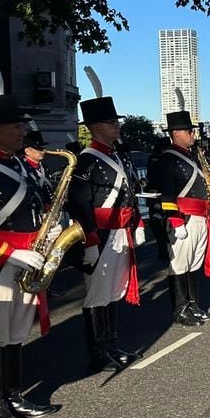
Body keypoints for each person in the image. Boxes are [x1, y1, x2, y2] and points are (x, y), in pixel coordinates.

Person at [0, 93, 62, 418]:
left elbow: (38, 202)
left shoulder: (17, 163)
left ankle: (13, 394)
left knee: (16, 332)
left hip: (30, 258)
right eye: (15, 125)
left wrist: (52, 222)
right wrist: (10, 253)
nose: (22, 131)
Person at [66, 94, 145, 372]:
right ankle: (98, 352)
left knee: (114, 292)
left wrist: (136, 224)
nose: (117, 127)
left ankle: (111, 344)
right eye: (111, 123)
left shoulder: (116, 156)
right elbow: (79, 204)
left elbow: (129, 194)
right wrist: (89, 241)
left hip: (120, 232)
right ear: (95, 127)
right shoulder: (85, 161)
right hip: (100, 236)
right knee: (97, 295)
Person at [159, 107, 210, 326]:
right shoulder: (168, 159)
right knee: (180, 264)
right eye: (188, 130)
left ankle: (193, 305)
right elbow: (166, 193)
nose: (192, 134)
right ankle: (180, 309)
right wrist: (177, 221)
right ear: (175, 133)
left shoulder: (194, 156)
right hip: (184, 218)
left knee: (193, 264)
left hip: (199, 217)